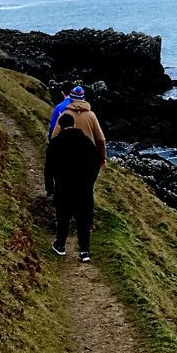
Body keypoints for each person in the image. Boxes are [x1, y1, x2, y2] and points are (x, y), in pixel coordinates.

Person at [45, 112, 101, 262]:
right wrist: (90, 180)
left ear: (60, 126)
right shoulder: (87, 142)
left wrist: (50, 187)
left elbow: (48, 168)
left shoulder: (55, 143)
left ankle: (60, 245)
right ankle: (84, 251)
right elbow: (96, 162)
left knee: (63, 217)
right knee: (83, 218)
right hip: (84, 187)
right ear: (74, 125)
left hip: (63, 186)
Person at [50, 84, 106, 166]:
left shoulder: (64, 115)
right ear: (83, 99)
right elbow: (100, 139)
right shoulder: (91, 115)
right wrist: (102, 158)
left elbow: (54, 137)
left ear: (71, 99)